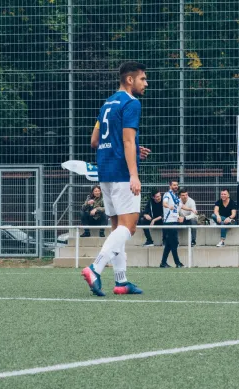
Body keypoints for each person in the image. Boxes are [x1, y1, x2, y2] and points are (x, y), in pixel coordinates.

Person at [81, 61, 151, 296]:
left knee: (116, 228)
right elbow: (128, 140)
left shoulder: (106, 104)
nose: (146, 83)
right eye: (143, 78)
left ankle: (121, 281)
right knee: (129, 227)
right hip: (122, 173)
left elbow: (94, 141)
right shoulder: (132, 103)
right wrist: (134, 174)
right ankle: (95, 268)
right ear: (129, 80)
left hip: (105, 171)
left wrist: (129, 147)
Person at [160, 180, 184, 268]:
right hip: (169, 222)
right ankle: (177, 263)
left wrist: (191, 209)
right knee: (174, 243)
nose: (176, 186)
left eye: (177, 185)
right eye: (174, 185)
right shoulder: (167, 194)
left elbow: (181, 206)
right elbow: (164, 203)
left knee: (170, 244)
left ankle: (163, 263)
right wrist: (168, 206)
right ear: (170, 186)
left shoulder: (175, 196)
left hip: (174, 221)